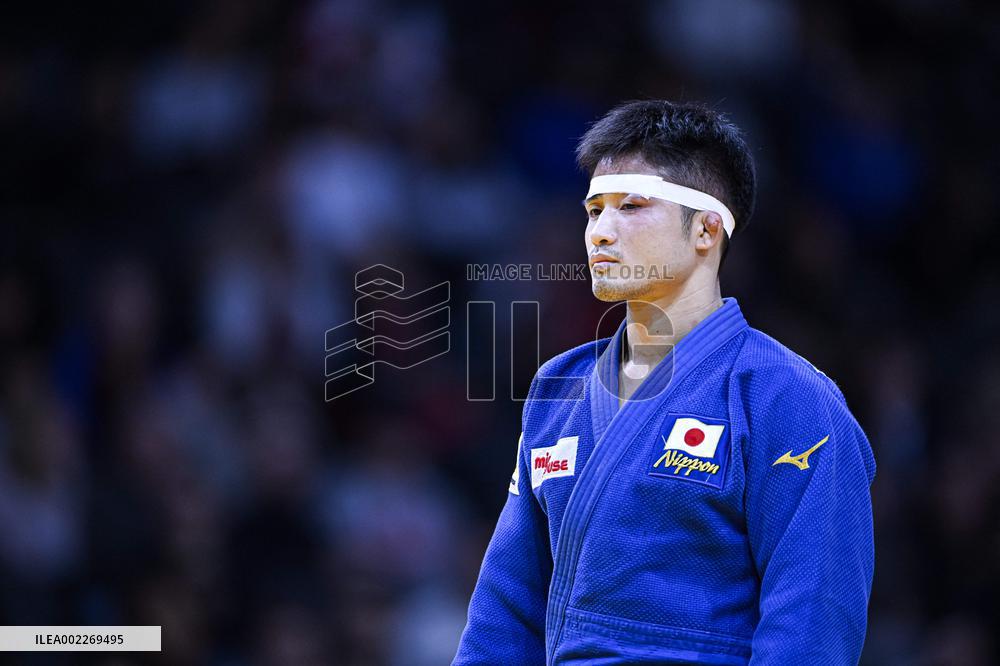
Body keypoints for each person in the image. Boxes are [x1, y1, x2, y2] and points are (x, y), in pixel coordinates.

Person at [454, 100, 876, 665]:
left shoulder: (787, 397)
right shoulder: (559, 388)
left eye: (630, 207)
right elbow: (505, 605)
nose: (600, 233)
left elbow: (812, 619)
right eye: (593, 210)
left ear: (705, 229)